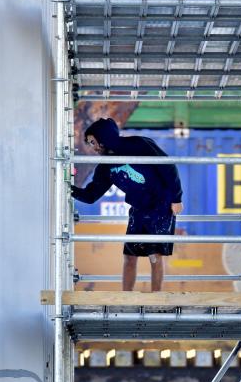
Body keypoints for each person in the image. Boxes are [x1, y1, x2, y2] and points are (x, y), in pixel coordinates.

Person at [71, 118, 183, 291]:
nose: (93, 148)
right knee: (129, 257)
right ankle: (126, 299)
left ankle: (156, 298)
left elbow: (168, 167)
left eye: (93, 142)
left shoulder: (139, 144)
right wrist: (67, 188)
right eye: (89, 144)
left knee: (154, 256)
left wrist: (176, 198)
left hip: (160, 205)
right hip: (138, 209)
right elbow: (91, 195)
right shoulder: (106, 167)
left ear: (104, 137)